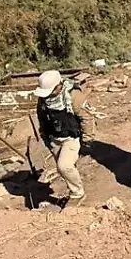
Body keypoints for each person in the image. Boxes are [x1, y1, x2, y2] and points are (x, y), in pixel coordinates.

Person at [33, 70, 88, 206]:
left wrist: (87, 140)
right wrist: (46, 138)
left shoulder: (73, 95)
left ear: (59, 86)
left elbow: (86, 118)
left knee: (64, 166)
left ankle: (77, 193)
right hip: (54, 139)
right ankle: (73, 187)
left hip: (71, 138)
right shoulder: (44, 100)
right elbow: (42, 118)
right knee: (63, 168)